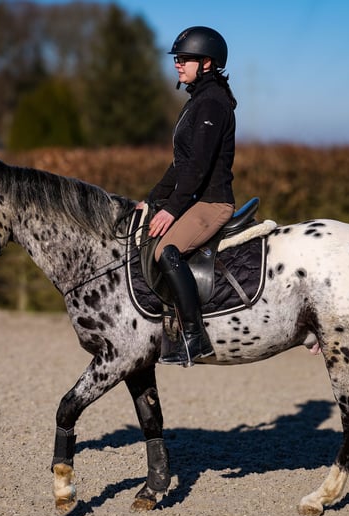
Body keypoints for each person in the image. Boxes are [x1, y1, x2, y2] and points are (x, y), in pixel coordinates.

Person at [140, 25, 238, 367]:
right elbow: (179, 165)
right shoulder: (199, 100)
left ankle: (196, 338)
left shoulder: (212, 103)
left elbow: (197, 167)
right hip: (196, 198)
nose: (178, 64)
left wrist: (171, 209)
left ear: (207, 63)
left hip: (212, 202)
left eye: (185, 59)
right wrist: (153, 201)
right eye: (177, 59)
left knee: (167, 251)